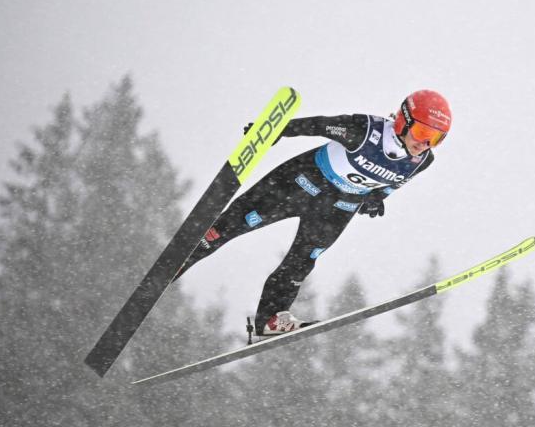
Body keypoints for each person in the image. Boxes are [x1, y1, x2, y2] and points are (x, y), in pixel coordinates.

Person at [173, 89, 452, 337]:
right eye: (423, 133)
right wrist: (278, 130)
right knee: (237, 223)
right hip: (300, 182)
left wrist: (377, 198)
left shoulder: (422, 161)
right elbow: (319, 125)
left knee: (303, 260)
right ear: (404, 120)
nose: (425, 144)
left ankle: (270, 318)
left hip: (339, 207)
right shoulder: (366, 131)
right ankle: (182, 259)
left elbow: (393, 183)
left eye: (436, 139)